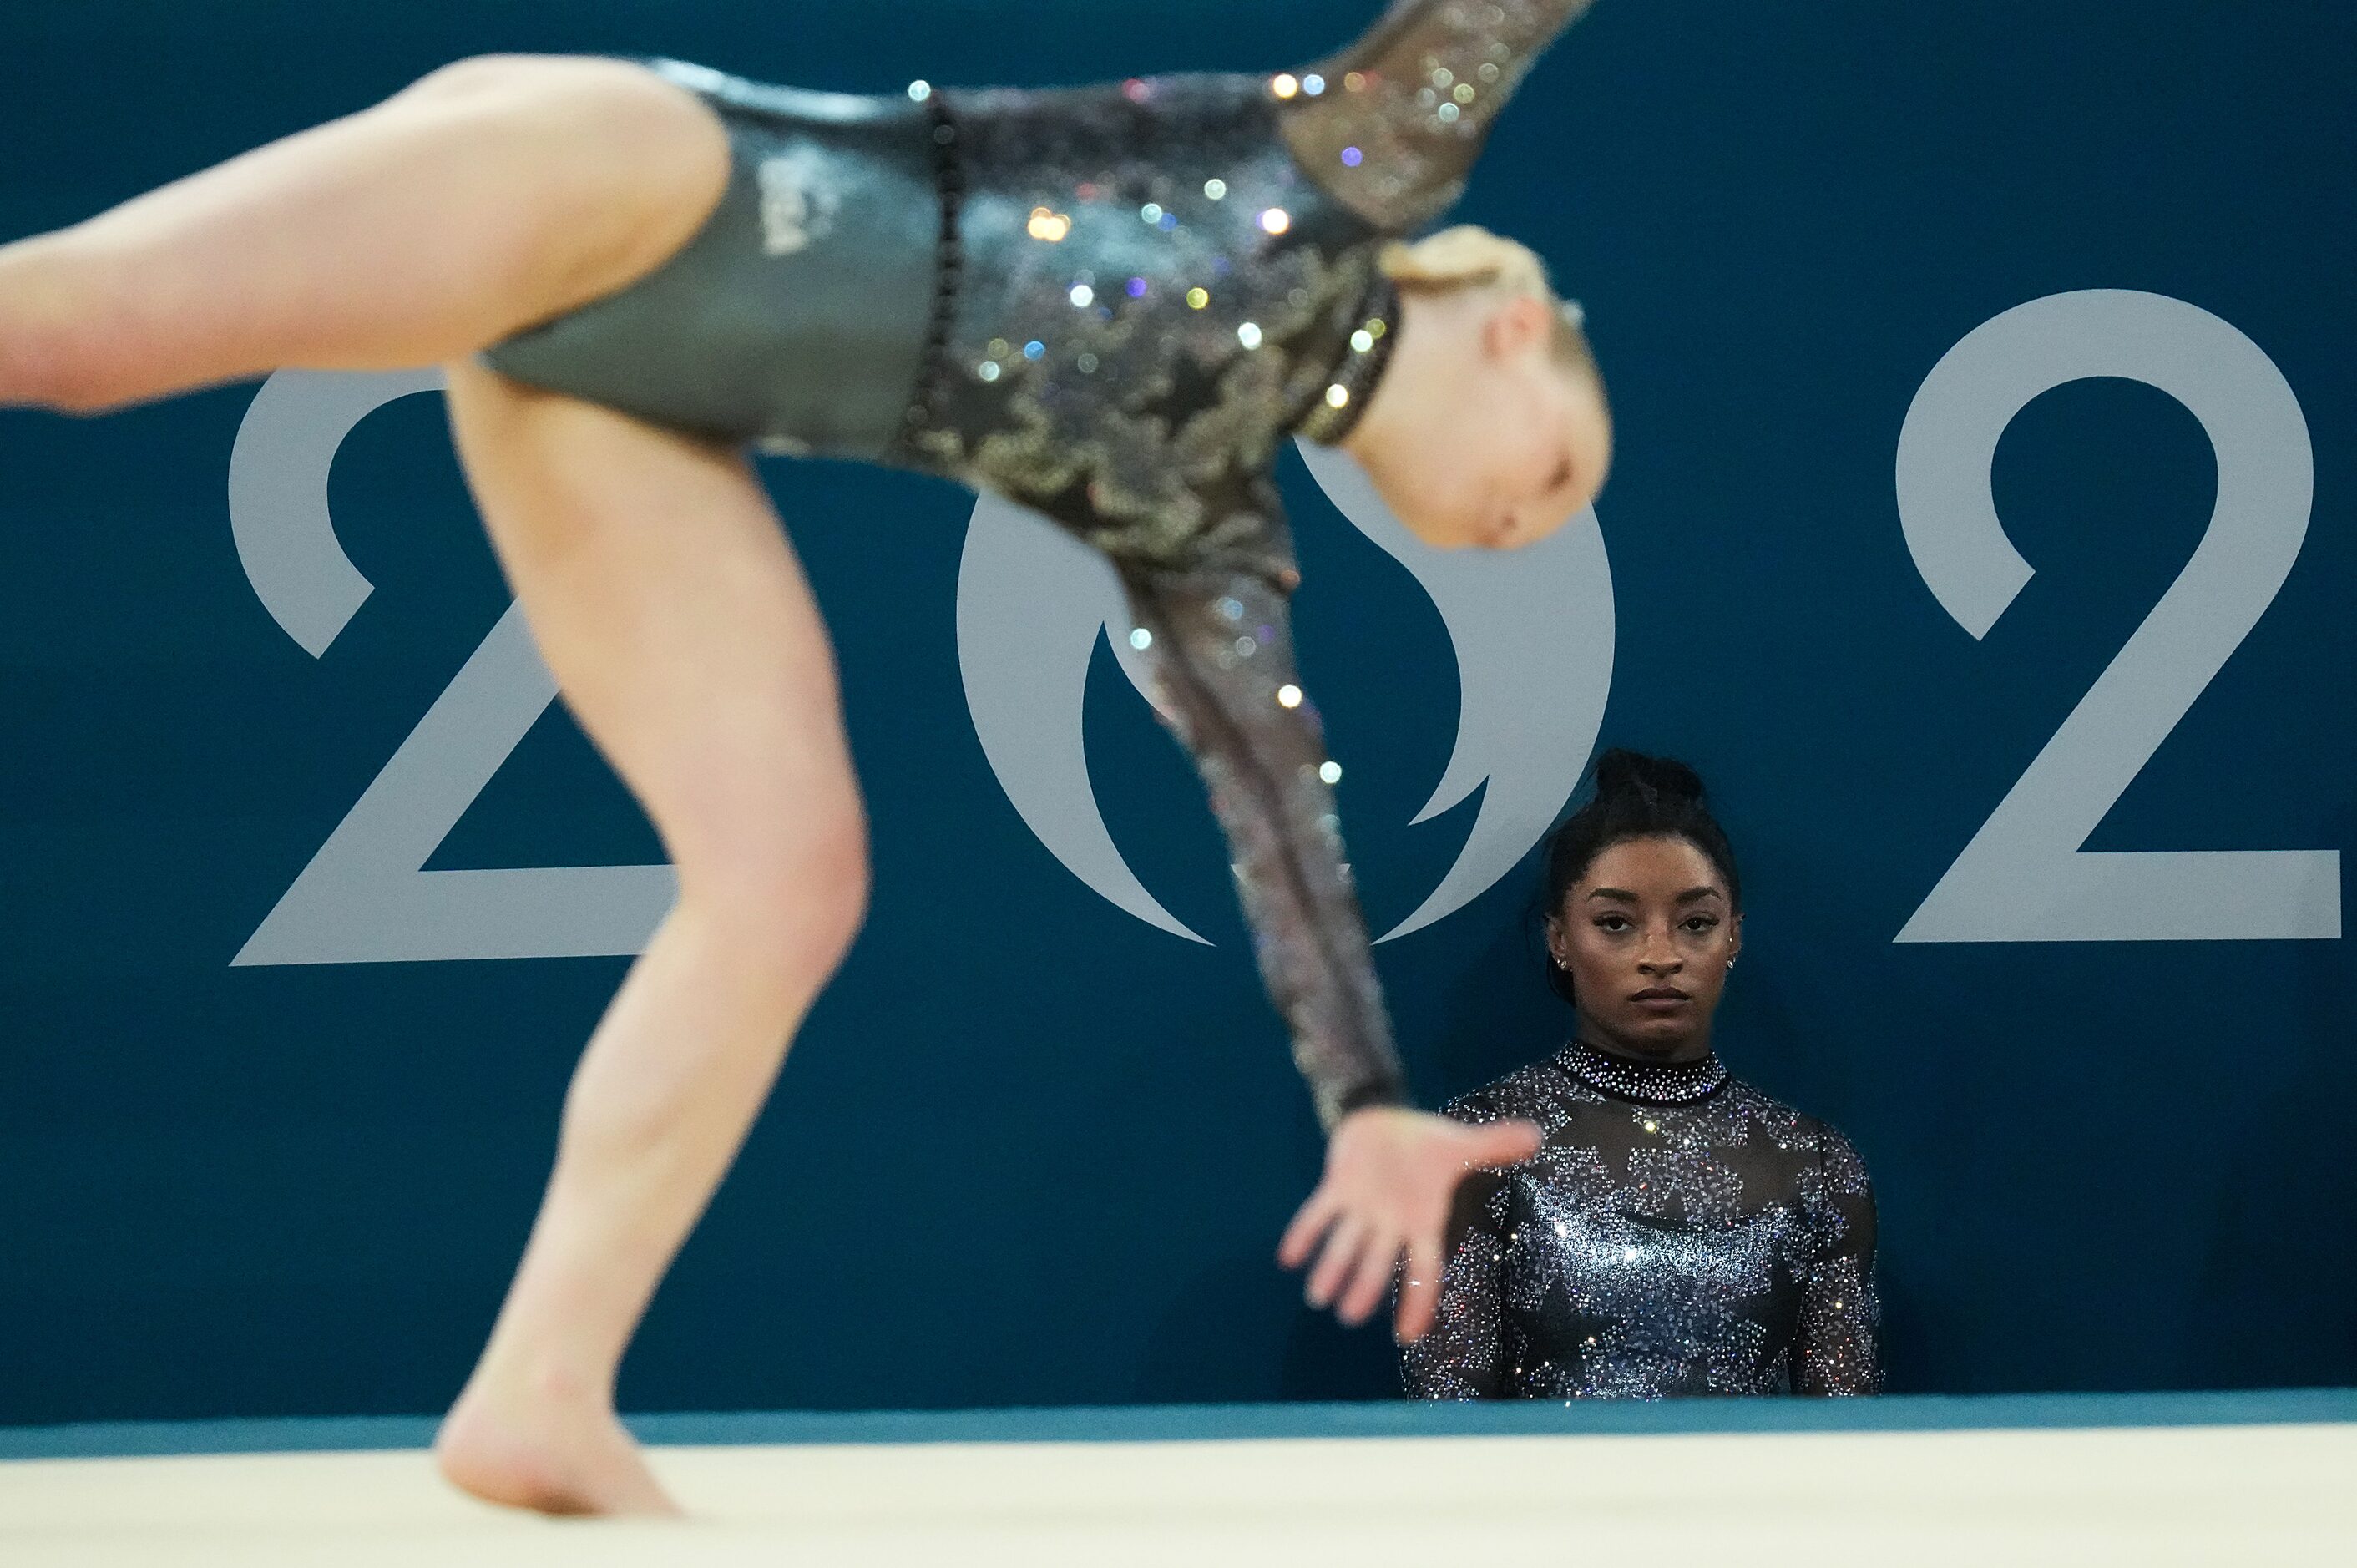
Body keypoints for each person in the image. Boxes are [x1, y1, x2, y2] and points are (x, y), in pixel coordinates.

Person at [0, 0, 1611, 1514]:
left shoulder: (1198, 519)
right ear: (1516, 330)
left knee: (782, 881)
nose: (1517, 529)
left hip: (638, 407)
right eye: (1551, 472)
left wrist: (1362, 1099)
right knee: (74, 330)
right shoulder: (1346, 165)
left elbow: (1275, 809)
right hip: (649, 183)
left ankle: (538, 1386)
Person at [1401, 751, 1881, 1399]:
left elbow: (1848, 1445)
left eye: (1695, 924)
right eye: (1615, 924)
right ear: (1559, 939)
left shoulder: (1816, 1165)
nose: (1661, 956)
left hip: (1760, 1503)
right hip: (1541, 1501)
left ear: (1733, 937)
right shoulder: (1472, 1150)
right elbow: (1447, 1435)